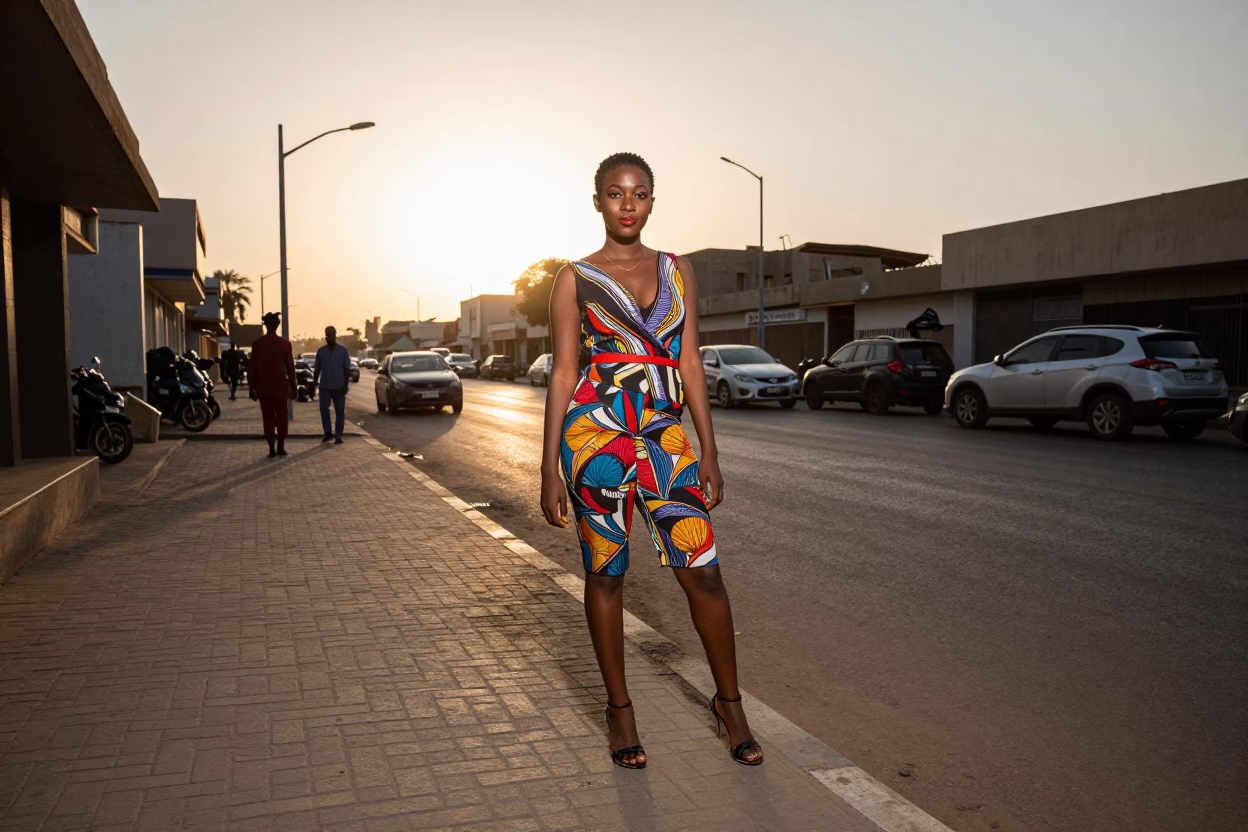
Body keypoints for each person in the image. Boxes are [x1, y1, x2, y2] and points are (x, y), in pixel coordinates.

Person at [540, 153, 762, 769]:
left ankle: (730, 705)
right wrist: (547, 466)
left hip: (665, 438)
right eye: (615, 193)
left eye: (639, 193)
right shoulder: (574, 278)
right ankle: (620, 712)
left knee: (704, 573)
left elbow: (690, 360)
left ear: (652, 201)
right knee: (606, 575)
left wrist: (708, 449)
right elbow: (564, 371)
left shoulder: (678, 270)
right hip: (594, 439)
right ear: (598, 202)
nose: (628, 204)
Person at [249, 311, 297, 457]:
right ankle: (281, 447)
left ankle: (271, 449)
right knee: (282, 417)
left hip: (263, 388)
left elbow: (252, 369)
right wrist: (294, 388)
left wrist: (251, 388)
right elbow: (290, 368)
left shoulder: (257, 344)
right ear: (277, 325)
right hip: (280, 387)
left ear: (265, 325)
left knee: (268, 418)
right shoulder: (285, 344)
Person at [313, 325, 352, 444]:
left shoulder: (342, 350)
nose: (329, 336)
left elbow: (346, 369)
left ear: (335, 335)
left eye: (331, 334)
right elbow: (317, 369)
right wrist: (315, 383)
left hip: (339, 386)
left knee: (340, 412)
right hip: (325, 386)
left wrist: (345, 385)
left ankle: (338, 435)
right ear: (325, 336)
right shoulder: (321, 351)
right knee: (324, 410)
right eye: (328, 334)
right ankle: (327, 433)